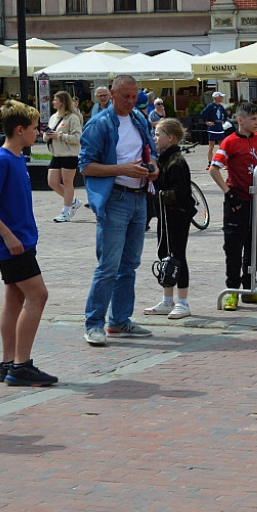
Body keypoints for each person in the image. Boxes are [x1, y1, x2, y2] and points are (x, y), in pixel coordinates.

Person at [0, 100, 55, 387]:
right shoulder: (3, 160)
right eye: (34, 129)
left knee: (15, 298)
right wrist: (7, 234)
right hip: (12, 243)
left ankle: (8, 362)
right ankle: (21, 366)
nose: (38, 133)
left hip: (20, 240)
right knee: (38, 296)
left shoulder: (16, 158)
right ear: (20, 130)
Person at [78, 74, 159, 347]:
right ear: (112, 94)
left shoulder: (138, 118)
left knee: (129, 265)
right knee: (108, 266)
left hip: (139, 197)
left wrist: (154, 167)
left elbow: (150, 149)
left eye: (135, 96)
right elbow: (86, 166)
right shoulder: (99, 124)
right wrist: (122, 169)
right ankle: (94, 323)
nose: (131, 101)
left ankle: (120, 319)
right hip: (115, 198)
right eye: (125, 96)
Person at [209, 102, 257, 311]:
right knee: (234, 247)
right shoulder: (229, 142)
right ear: (240, 120)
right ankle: (232, 291)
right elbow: (214, 169)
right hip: (236, 200)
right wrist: (228, 193)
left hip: (256, 200)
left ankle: (250, 289)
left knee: (254, 245)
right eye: (253, 119)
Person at [143, 118, 195, 320]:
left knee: (177, 256)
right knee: (165, 253)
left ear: (170, 138)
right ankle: (167, 300)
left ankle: (182, 301)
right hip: (165, 215)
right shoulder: (163, 158)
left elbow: (179, 193)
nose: (155, 138)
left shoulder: (177, 162)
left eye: (158, 134)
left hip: (178, 215)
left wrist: (154, 195)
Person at [45, 90, 84, 223]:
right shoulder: (53, 117)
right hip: (56, 153)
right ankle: (73, 201)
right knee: (52, 182)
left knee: (68, 183)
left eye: (56, 100)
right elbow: (48, 134)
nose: (53, 102)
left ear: (62, 102)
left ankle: (66, 212)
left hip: (69, 154)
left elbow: (77, 138)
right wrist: (47, 135)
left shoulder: (72, 117)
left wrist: (59, 136)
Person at [202, 91, 229, 171]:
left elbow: (225, 114)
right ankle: (210, 163)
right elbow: (203, 113)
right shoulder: (210, 106)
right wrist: (207, 122)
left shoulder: (220, 106)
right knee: (211, 146)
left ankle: (223, 162)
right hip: (212, 129)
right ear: (217, 98)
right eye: (221, 97)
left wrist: (223, 120)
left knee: (222, 146)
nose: (222, 98)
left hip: (219, 128)